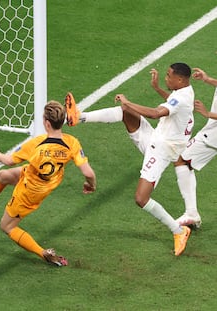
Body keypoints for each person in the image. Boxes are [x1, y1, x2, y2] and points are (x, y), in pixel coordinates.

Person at [65, 63, 194, 256]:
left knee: (141, 198)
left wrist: (128, 101)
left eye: (168, 76)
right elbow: (172, 102)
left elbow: (155, 113)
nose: (166, 78)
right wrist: (158, 88)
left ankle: (179, 230)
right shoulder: (186, 91)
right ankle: (78, 117)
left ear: (180, 79)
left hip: (161, 150)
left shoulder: (183, 97)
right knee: (125, 113)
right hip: (156, 138)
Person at [0, 100, 96, 266]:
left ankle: (43, 253)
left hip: (30, 191)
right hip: (41, 179)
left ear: (46, 123)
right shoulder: (72, 142)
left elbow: (8, 160)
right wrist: (91, 185)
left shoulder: (36, 144)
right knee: (3, 176)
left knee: (7, 226)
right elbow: (88, 172)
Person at [173, 67, 217, 228]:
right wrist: (208, 79)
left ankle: (191, 213)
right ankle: (191, 213)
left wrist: (207, 114)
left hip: (214, 135)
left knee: (181, 160)